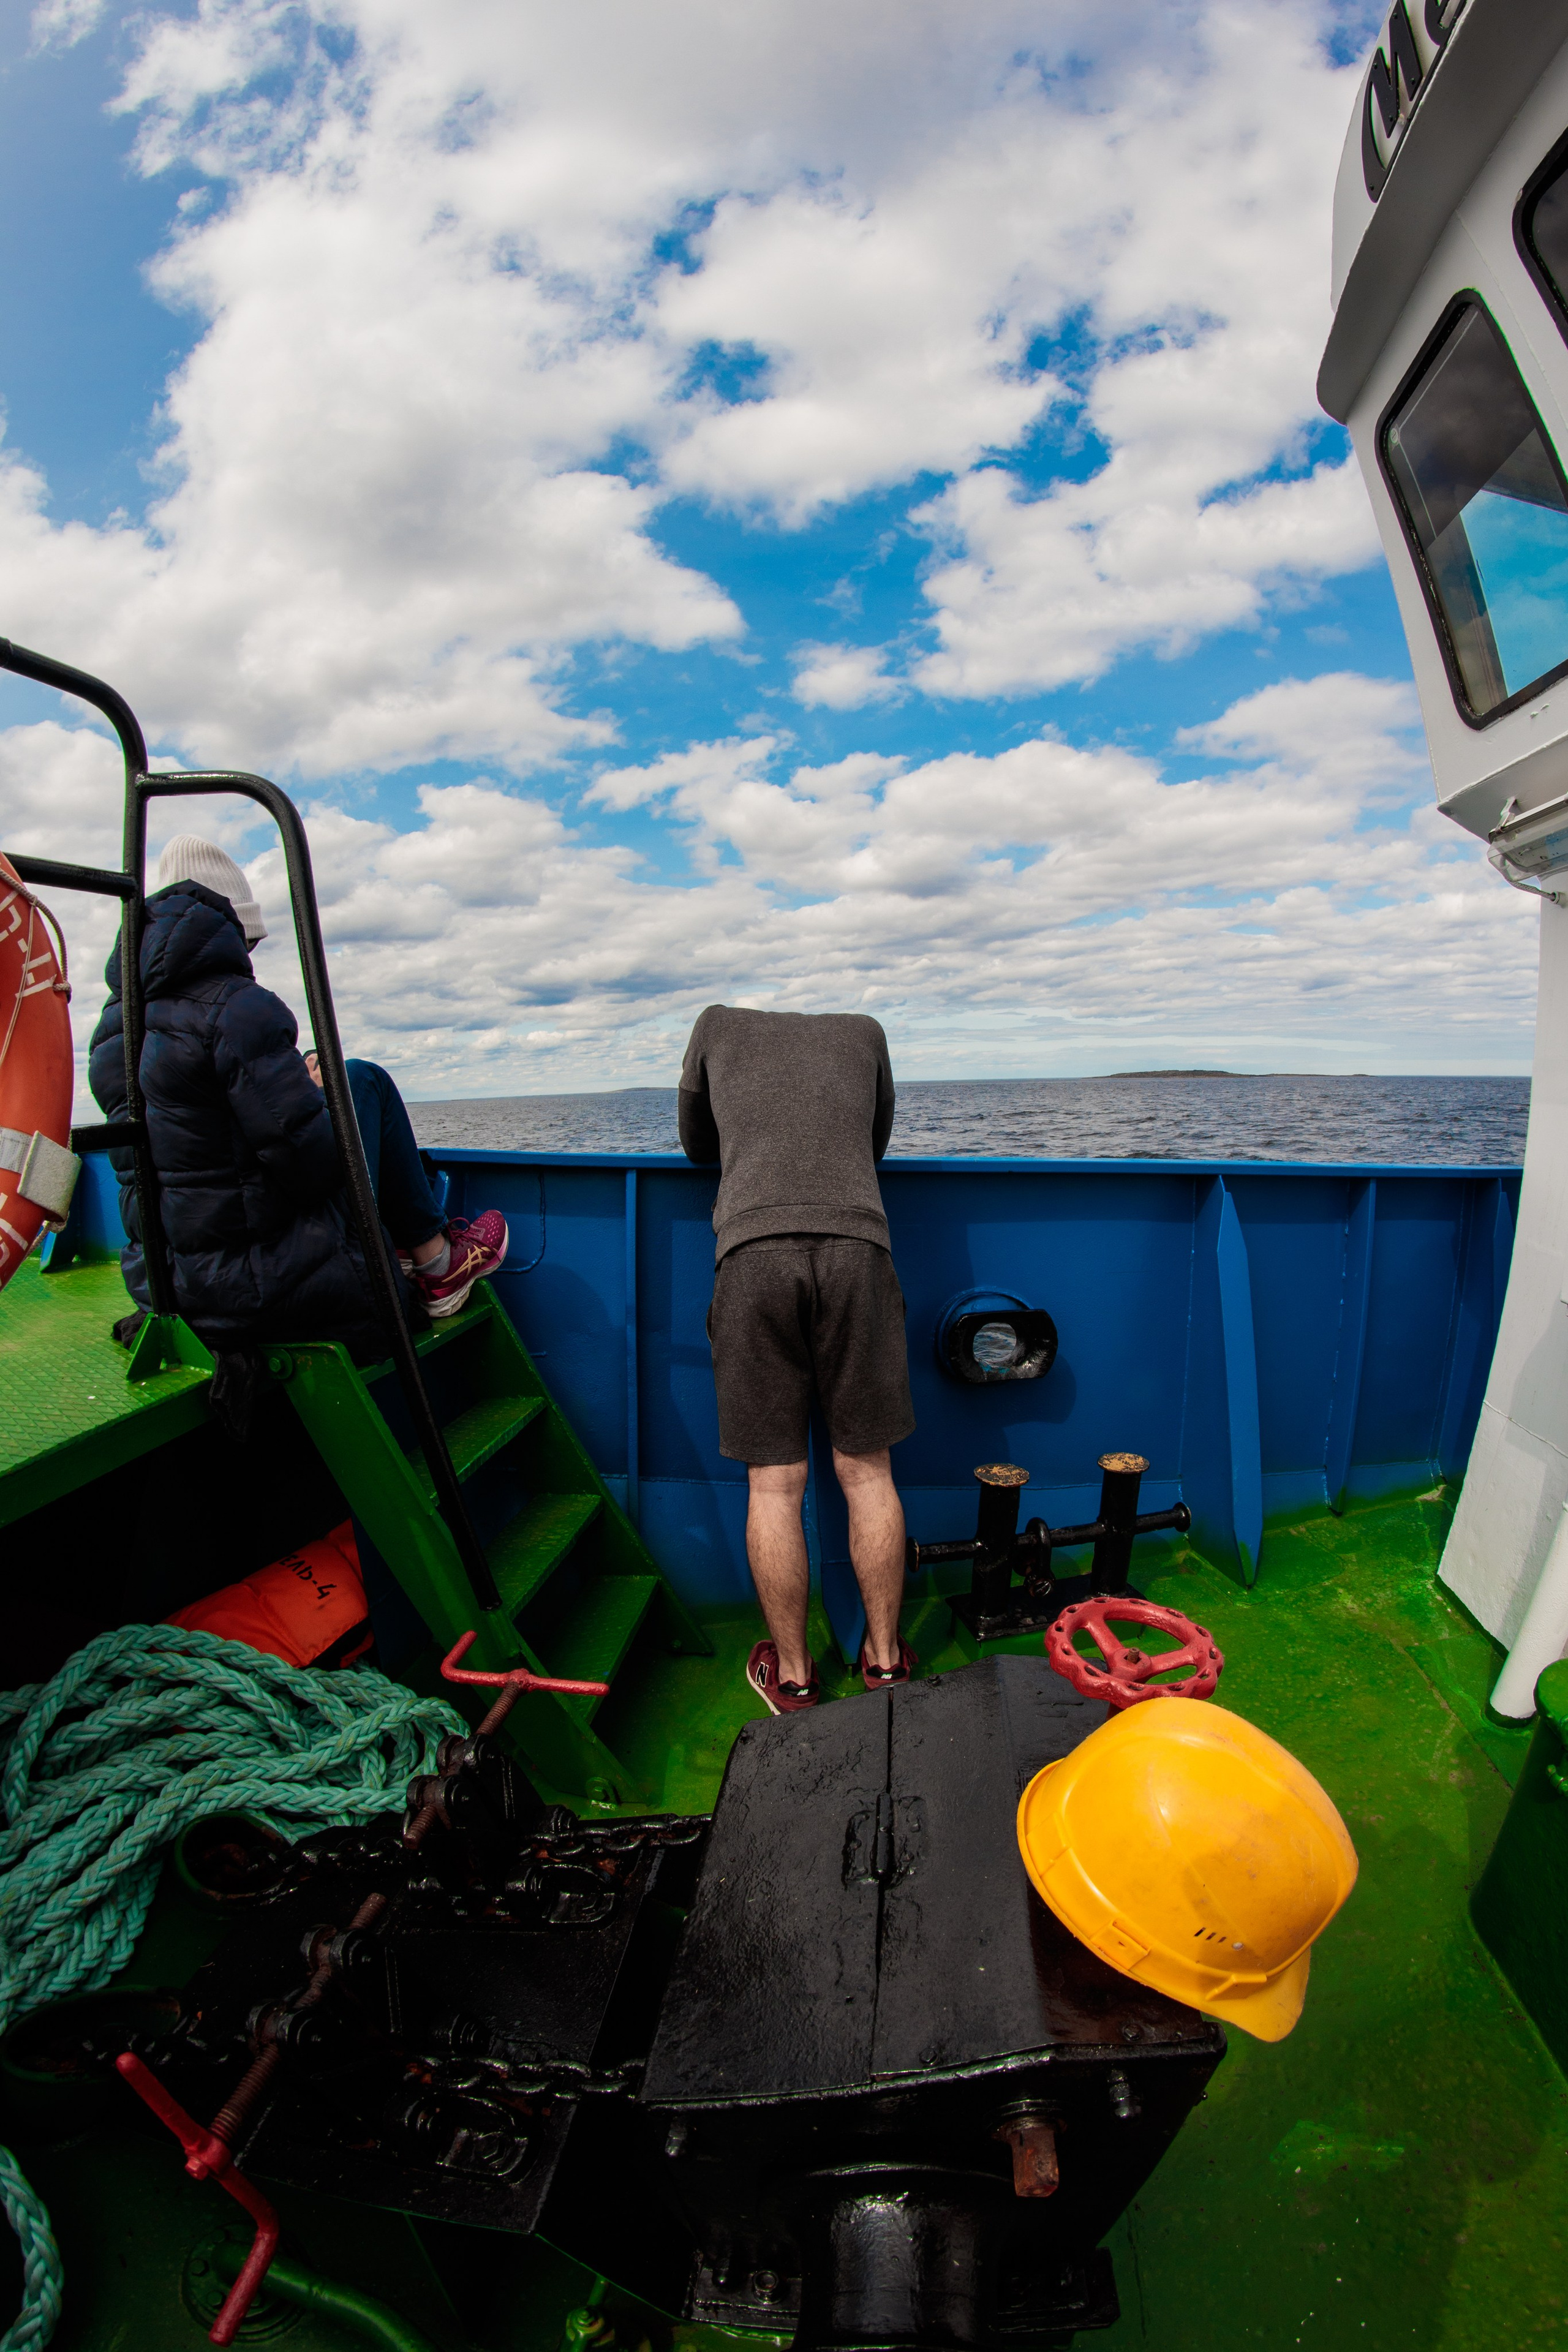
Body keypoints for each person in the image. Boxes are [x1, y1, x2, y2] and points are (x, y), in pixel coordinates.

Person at [88, 835, 507, 1356]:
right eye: (251, 942)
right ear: (226, 928)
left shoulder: (114, 1029)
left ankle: (420, 1251)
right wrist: (311, 1096)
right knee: (358, 1078)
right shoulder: (239, 1007)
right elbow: (316, 1167)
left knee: (343, 1080)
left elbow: (196, 1150)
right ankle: (437, 1260)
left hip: (170, 1289)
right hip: (263, 1295)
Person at [679, 1003, 916, 1713]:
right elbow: (874, 1143)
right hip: (858, 1251)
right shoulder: (866, 1030)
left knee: (775, 1484)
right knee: (868, 1471)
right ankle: (884, 1663)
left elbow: (698, 1146)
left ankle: (794, 1678)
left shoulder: (714, 1026)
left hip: (752, 1254)